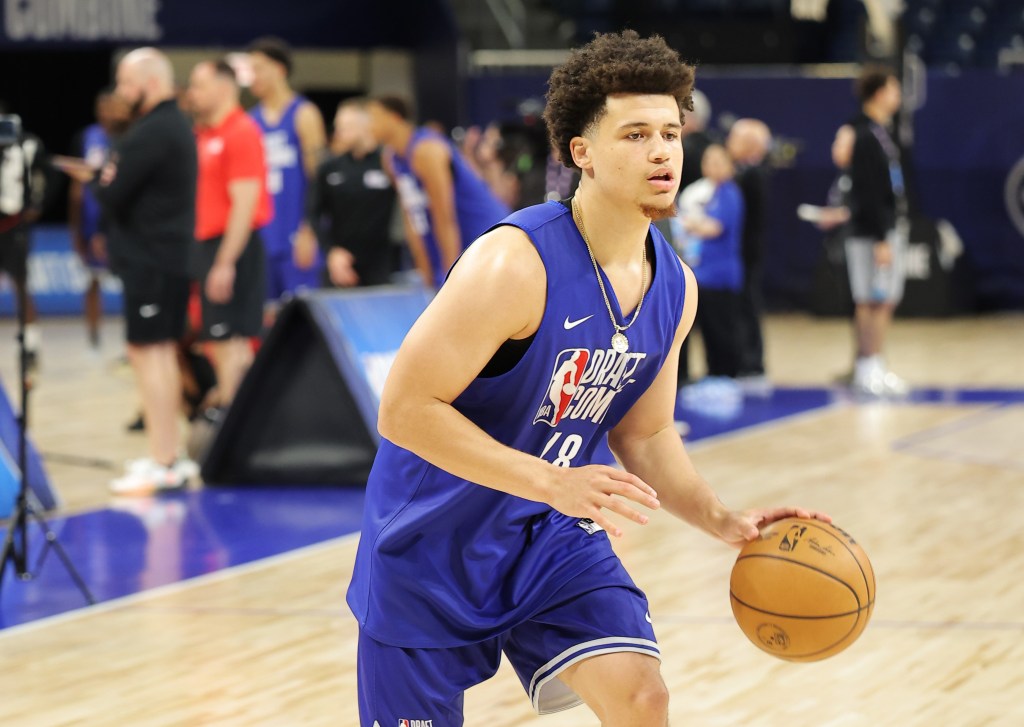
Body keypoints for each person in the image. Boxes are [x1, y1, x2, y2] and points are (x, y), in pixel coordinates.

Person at [347, 31, 829, 725]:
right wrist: (550, 479)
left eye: (671, 132)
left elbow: (648, 432)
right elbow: (403, 409)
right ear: (583, 153)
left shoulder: (675, 287)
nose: (662, 151)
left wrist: (722, 518)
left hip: (550, 536)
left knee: (643, 697)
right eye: (635, 134)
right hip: (433, 544)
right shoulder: (515, 264)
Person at [57, 48, 198, 494]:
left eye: (124, 82)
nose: (120, 93)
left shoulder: (152, 131)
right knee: (158, 353)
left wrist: (100, 178)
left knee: (148, 352)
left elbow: (111, 192)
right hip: (167, 259)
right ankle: (168, 453)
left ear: (149, 82)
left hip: (152, 262)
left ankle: (164, 459)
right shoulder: (171, 126)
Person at [188, 59, 272, 410]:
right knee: (223, 344)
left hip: (232, 247)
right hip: (209, 246)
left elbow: (245, 204)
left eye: (199, 86)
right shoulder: (206, 134)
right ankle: (240, 426)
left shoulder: (241, 131)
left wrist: (225, 261)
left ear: (224, 88)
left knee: (231, 343)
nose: (192, 94)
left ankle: (235, 437)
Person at [366, 96, 510, 289]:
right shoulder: (390, 158)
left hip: (483, 234)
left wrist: (449, 279)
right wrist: (425, 272)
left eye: (373, 118)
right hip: (447, 243)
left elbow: (445, 218)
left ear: (394, 118)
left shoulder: (427, 150)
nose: (369, 125)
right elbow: (413, 217)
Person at [247, 37, 327, 302]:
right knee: (264, 318)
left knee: (300, 318)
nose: (251, 77)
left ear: (279, 69)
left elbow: (319, 178)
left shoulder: (304, 114)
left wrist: (310, 229)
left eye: (258, 68)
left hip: (296, 233)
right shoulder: (250, 120)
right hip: (261, 236)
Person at [846, 67, 909, 396]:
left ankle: (873, 364)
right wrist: (882, 236)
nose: (898, 96)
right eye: (894, 89)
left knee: (881, 298)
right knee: (874, 300)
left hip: (883, 228)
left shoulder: (882, 132)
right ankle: (868, 366)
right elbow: (869, 190)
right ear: (880, 93)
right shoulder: (865, 134)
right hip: (872, 232)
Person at [306, 98, 397, 288]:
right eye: (338, 126)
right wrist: (331, 252)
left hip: (382, 264)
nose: (339, 133)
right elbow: (313, 213)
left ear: (365, 126)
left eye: (346, 127)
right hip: (341, 262)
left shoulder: (389, 163)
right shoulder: (329, 168)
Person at [677, 144, 746, 385]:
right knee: (704, 330)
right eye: (708, 160)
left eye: (719, 161)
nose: (712, 166)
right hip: (701, 273)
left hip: (720, 275)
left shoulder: (729, 194)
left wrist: (687, 224)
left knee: (721, 330)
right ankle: (709, 374)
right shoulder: (706, 193)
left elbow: (715, 228)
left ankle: (726, 375)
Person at [68, 89, 130, 350]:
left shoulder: (129, 138)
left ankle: (132, 338)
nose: (107, 113)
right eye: (102, 108)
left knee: (130, 282)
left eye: (112, 107)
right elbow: (76, 186)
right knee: (92, 280)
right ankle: (93, 338)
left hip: (120, 223)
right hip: (91, 221)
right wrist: (76, 230)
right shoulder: (86, 137)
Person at [725, 118, 772, 385]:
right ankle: (743, 361)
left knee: (747, 307)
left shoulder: (753, 175)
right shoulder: (743, 172)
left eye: (734, 139)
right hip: (741, 253)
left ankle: (752, 364)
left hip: (746, 253)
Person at [0, 108, 47, 374]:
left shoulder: (26, 143)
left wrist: (37, 203)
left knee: (21, 286)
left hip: (12, 224)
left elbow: (45, 173)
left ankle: (30, 345)